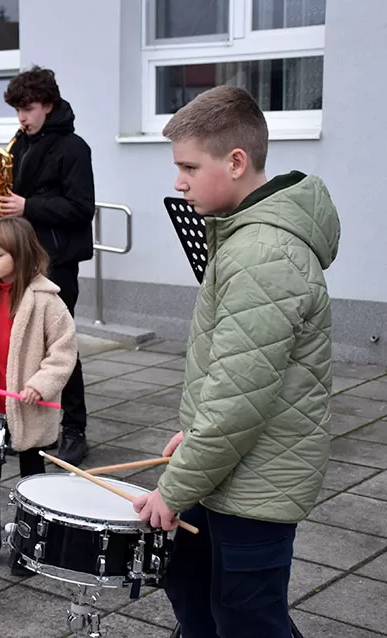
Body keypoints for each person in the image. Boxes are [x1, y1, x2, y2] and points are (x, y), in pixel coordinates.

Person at [133, 85, 340, 637]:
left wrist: (173, 490)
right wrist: (194, 432)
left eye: (188, 167)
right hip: (229, 468)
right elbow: (233, 374)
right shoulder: (246, 239)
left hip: (259, 482)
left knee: (247, 616)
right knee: (190, 586)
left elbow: (237, 400)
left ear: (236, 161)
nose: (178, 182)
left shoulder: (264, 254)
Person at [0, 217, 78, 575]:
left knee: (31, 481)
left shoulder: (46, 301)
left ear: (20, 256)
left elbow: (64, 352)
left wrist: (41, 383)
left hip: (28, 407)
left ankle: (29, 547)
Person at [0, 65, 95, 465]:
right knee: (24, 347)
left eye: (29, 108)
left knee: (60, 346)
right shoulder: (18, 144)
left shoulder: (74, 148)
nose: (22, 117)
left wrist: (28, 205)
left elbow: (81, 208)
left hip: (57, 261)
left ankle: (74, 428)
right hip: (23, 258)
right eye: (18, 110)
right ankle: (34, 425)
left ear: (48, 105)